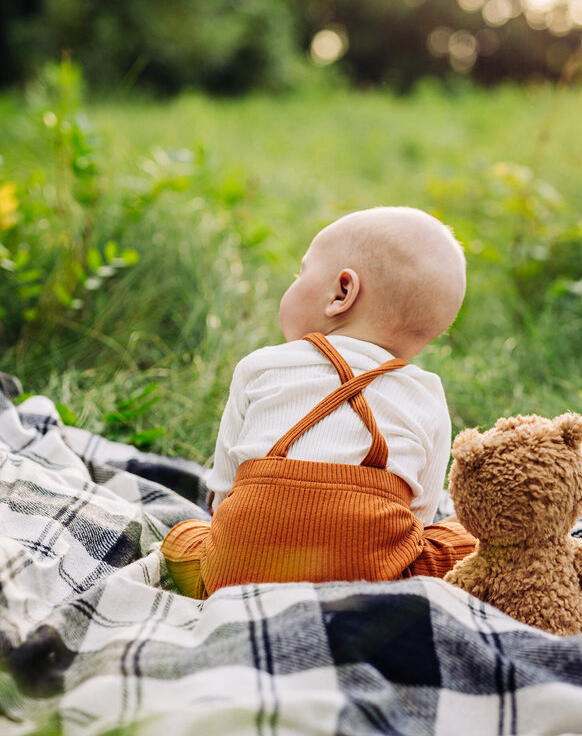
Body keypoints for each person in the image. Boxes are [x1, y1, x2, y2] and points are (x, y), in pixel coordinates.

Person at [161, 206, 477, 598]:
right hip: (370, 581)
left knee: (182, 538)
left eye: (300, 272)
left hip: (235, 572)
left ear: (341, 293)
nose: (292, 282)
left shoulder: (259, 366)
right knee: (465, 541)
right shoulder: (425, 394)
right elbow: (422, 512)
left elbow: (223, 489)